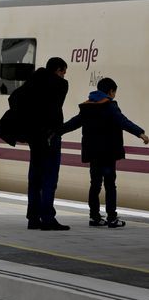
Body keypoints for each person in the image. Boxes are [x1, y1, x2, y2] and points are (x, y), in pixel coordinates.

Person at [59, 78, 149, 228]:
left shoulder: (88, 106)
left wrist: (57, 131)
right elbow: (123, 121)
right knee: (110, 185)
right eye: (114, 93)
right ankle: (112, 218)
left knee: (95, 184)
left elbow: (74, 122)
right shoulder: (110, 106)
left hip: (93, 153)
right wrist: (140, 133)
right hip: (108, 153)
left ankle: (94, 217)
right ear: (111, 92)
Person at [8, 57, 71, 231]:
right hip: (50, 136)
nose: (64, 76)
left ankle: (33, 218)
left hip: (34, 136)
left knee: (35, 177)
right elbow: (54, 107)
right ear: (58, 70)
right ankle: (48, 218)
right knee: (50, 177)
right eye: (63, 72)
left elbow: (13, 98)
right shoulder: (60, 85)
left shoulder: (33, 81)